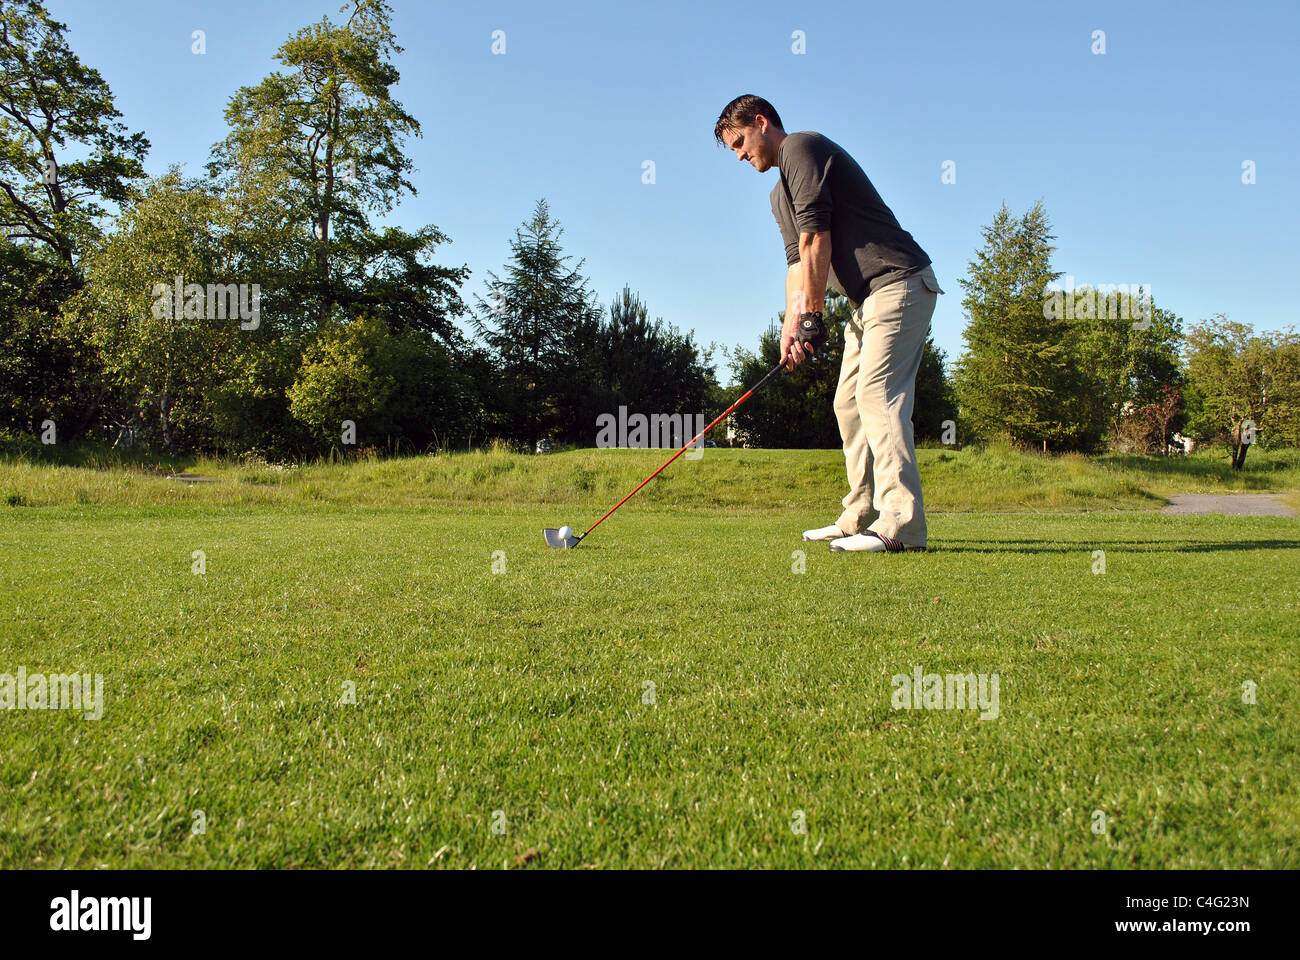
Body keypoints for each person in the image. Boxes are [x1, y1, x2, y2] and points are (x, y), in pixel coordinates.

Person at [714, 94, 943, 554]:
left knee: (877, 395)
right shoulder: (779, 195)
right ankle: (858, 514)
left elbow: (818, 236)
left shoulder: (802, 147)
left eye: (739, 141)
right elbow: (798, 264)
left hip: (898, 281)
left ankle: (901, 526)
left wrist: (814, 319)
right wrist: (790, 328)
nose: (738, 154)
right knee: (849, 404)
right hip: (867, 303)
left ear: (761, 122)